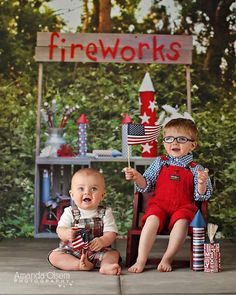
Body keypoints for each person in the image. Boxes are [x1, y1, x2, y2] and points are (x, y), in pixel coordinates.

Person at [123, 118, 212, 273]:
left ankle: (167, 258)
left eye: (181, 139)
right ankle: (141, 259)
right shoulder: (160, 162)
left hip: (183, 207)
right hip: (160, 205)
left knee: (182, 222)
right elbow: (147, 185)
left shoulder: (196, 168)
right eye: (169, 139)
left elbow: (201, 196)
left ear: (193, 145)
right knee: (151, 220)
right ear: (164, 142)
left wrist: (202, 184)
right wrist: (138, 177)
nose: (174, 143)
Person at [48, 168, 121, 275]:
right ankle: (78, 264)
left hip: (98, 252)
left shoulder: (105, 212)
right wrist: (66, 233)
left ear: (102, 195)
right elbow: (60, 230)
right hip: (73, 252)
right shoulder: (69, 212)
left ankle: (106, 266)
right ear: (72, 194)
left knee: (114, 254)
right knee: (54, 256)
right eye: (81, 188)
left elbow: (111, 233)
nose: (87, 192)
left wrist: (102, 241)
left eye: (94, 189)